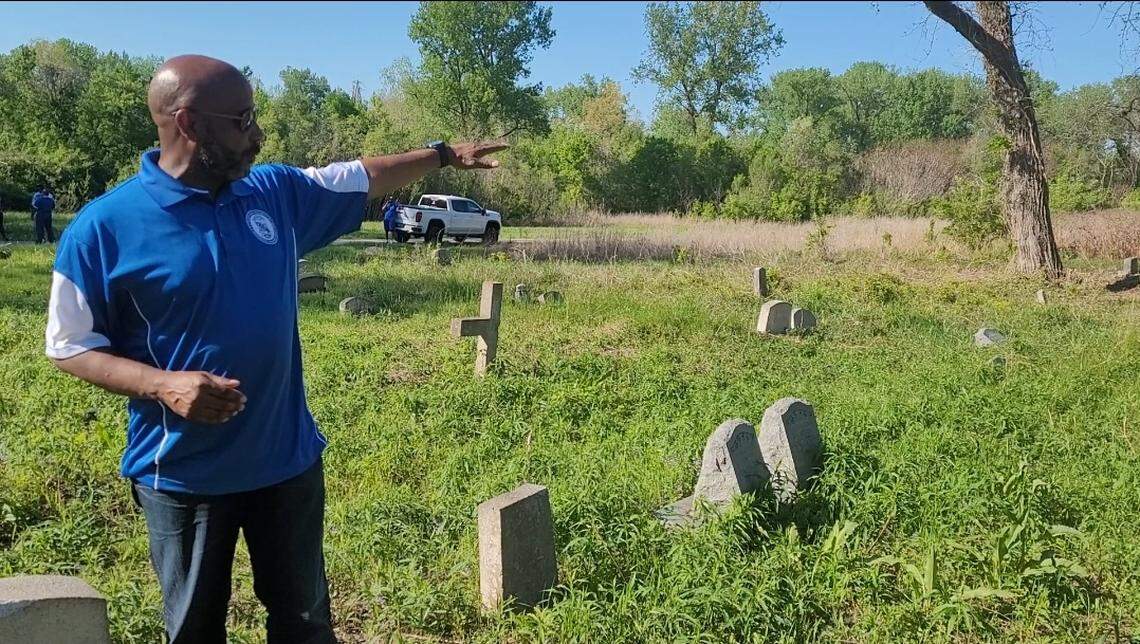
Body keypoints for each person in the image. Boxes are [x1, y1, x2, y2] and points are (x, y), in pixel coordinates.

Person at [45, 54, 505, 643]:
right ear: (187, 123)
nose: (257, 134)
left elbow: (364, 174)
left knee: (306, 622)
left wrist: (443, 154)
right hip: (183, 474)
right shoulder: (103, 228)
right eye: (242, 120)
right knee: (193, 629)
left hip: (286, 463)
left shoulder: (274, 193)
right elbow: (68, 345)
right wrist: (162, 385)